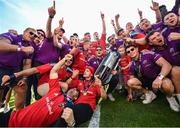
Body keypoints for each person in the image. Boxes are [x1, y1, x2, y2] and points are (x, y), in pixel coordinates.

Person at [0, 54, 80, 127]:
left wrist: (73, 77)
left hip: (53, 95)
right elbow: (34, 70)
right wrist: (14, 75)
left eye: (71, 60)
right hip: (44, 88)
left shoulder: (69, 72)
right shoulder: (53, 66)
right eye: (67, 59)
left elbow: (71, 87)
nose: (68, 61)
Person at [126, 44, 180, 112]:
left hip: (159, 78)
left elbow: (167, 64)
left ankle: (170, 97)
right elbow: (131, 78)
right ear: (127, 54)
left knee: (167, 85)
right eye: (128, 52)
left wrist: (159, 78)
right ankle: (149, 93)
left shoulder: (148, 54)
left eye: (132, 49)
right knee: (130, 82)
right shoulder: (132, 65)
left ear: (137, 49)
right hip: (147, 81)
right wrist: (130, 94)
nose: (130, 52)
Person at [0, 27, 36, 110]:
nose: (33, 36)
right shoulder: (12, 36)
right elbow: (1, 45)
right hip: (1, 66)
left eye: (35, 35)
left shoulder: (30, 48)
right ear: (24, 32)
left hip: (14, 69)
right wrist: (20, 49)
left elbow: (27, 64)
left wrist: (24, 78)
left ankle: (18, 116)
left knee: (22, 88)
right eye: (31, 33)